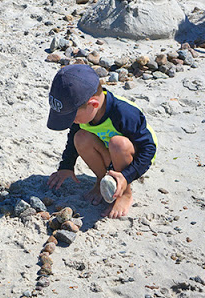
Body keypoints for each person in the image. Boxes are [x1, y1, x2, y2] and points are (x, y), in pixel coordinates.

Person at [46, 64, 157, 218]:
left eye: (72, 117)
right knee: (80, 136)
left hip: (132, 156)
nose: (72, 121)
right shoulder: (84, 113)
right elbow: (73, 139)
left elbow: (148, 149)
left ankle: (125, 193)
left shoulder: (125, 113)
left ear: (93, 105)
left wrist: (127, 175)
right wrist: (66, 166)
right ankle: (101, 181)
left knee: (119, 143)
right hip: (107, 152)